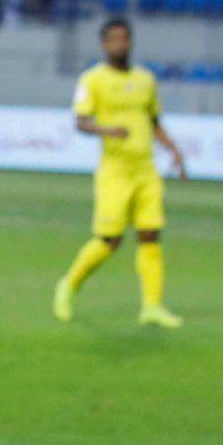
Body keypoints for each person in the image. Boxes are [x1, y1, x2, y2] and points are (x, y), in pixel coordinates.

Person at [54, 17, 187, 329]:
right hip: (115, 170)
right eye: (113, 39)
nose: (120, 44)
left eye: (124, 38)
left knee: (151, 235)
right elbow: (81, 120)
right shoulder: (93, 79)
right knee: (110, 240)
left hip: (145, 169)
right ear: (104, 44)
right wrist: (106, 129)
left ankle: (151, 306)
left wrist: (174, 150)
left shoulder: (145, 80)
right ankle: (68, 285)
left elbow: (153, 121)